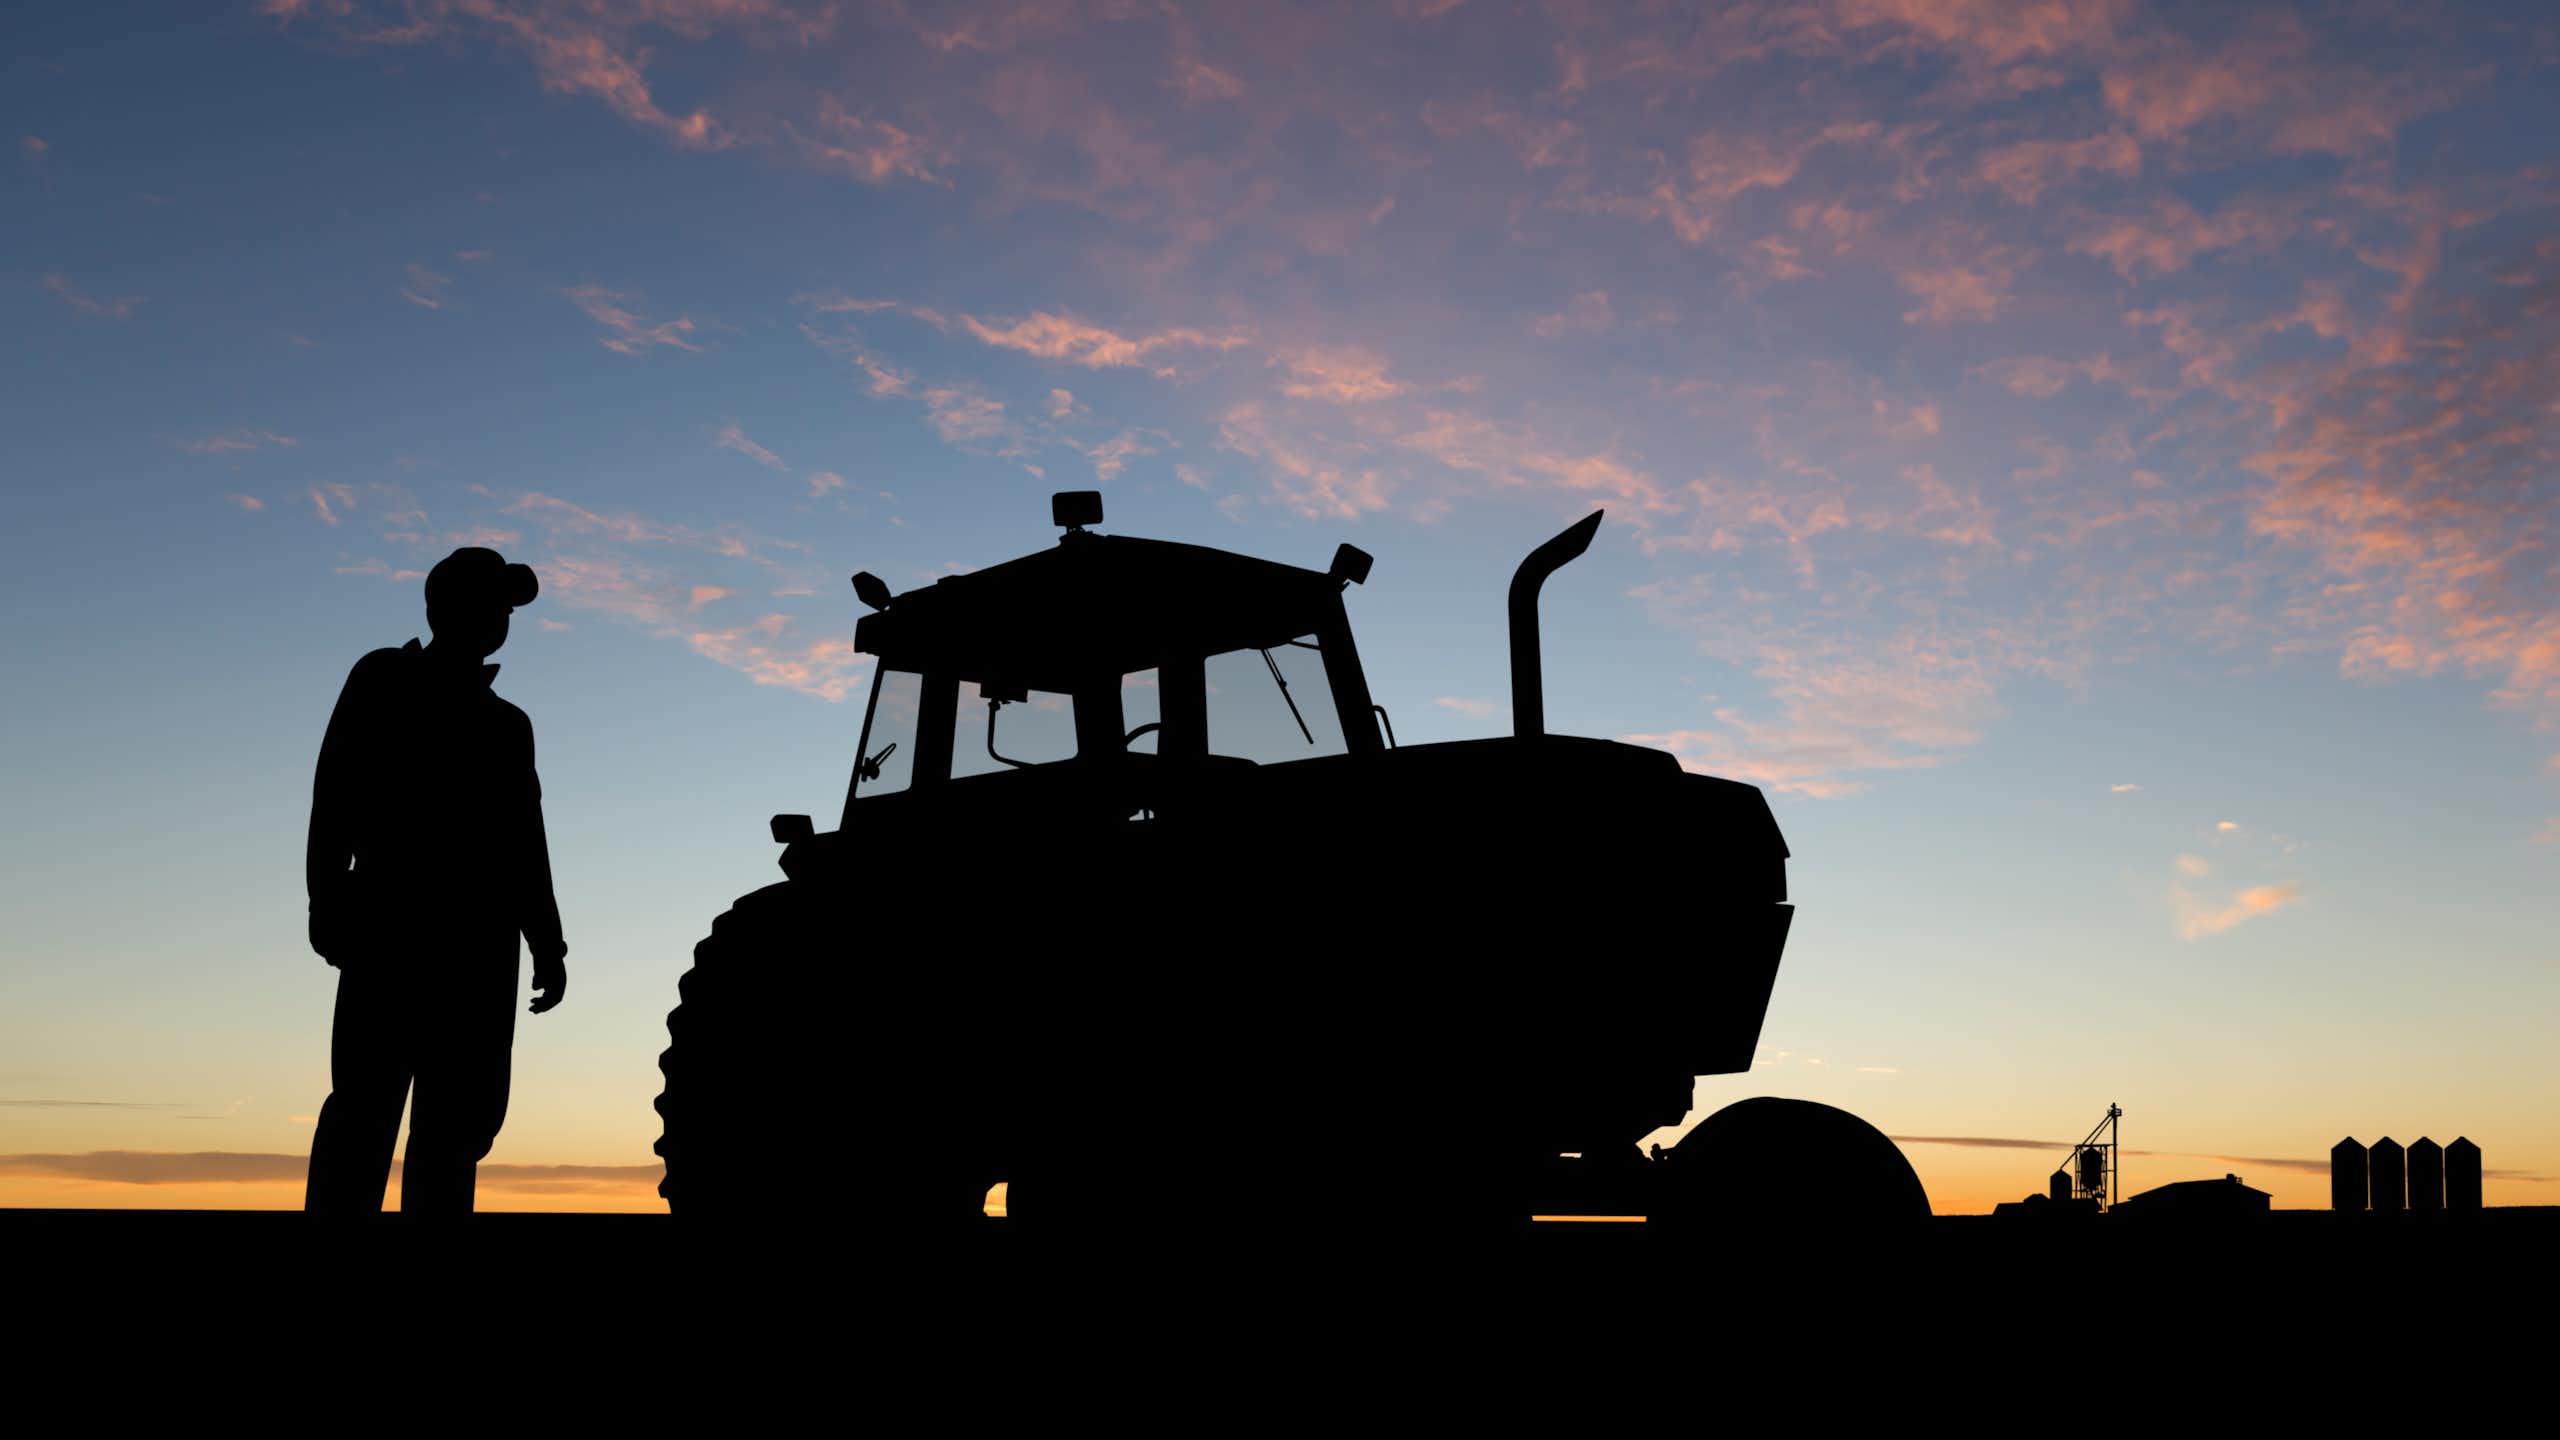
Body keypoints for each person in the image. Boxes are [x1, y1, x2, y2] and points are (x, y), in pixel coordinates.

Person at [303, 546, 569, 1212]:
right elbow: (335, 792)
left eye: (507, 607)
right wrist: (327, 897)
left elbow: (523, 844)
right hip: (390, 926)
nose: (503, 615)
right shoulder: (384, 678)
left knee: (456, 1129)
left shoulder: (509, 726)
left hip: (478, 947)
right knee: (364, 1109)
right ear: (446, 607)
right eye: (492, 602)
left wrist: (548, 943)